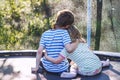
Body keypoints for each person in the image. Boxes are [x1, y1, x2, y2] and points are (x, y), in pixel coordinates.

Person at [44, 25, 110, 78]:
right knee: (91, 59)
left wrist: (46, 57)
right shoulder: (82, 43)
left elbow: (56, 61)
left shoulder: (66, 50)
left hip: (87, 72)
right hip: (98, 68)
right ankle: (106, 63)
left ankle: (72, 74)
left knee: (74, 66)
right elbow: (91, 54)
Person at [34, 9, 79, 74]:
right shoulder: (64, 33)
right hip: (61, 69)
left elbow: (39, 52)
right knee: (70, 60)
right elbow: (69, 49)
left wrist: (36, 67)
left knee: (42, 60)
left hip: (47, 67)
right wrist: (76, 42)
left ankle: (41, 68)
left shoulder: (45, 34)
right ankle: (65, 71)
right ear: (67, 26)